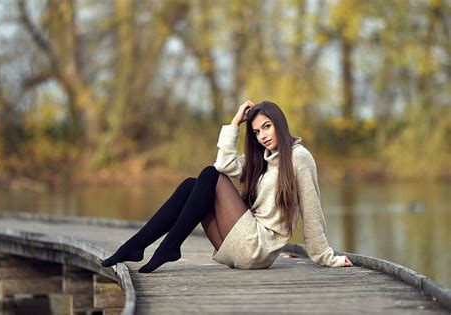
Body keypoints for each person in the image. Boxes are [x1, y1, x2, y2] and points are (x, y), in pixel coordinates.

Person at [101, 100, 353, 273]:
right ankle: (137, 246)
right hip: (236, 245)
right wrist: (234, 123)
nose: (262, 135)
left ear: (280, 123)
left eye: (267, 126)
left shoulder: (299, 157)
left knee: (209, 175)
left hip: (256, 248)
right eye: (256, 132)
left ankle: (169, 246)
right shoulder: (261, 160)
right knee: (193, 184)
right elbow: (224, 163)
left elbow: (312, 210)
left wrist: (325, 257)